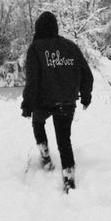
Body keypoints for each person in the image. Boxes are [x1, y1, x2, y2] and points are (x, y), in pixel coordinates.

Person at [21, 11, 94, 192]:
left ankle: (45, 155)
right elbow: (87, 75)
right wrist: (85, 96)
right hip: (66, 101)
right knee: (64, 140)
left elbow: (33, 80)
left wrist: (28, 104)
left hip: (43, 101)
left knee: (37, 122)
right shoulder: (70, 46)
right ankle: (69, 178)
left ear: (38, 28)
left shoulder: (35, 48)